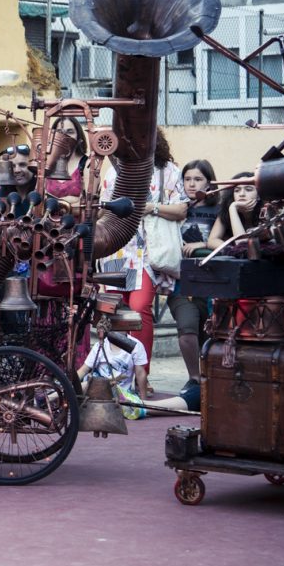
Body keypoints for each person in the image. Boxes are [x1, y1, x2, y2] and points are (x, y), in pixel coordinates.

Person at [97, 129, 186, 395]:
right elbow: (102, 208)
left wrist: (151, 207)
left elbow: (181, 209)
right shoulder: (114, 171)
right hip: (117, 249)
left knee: (139, 308)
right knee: (111, 312)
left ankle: (142, 377)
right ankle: (113, 377)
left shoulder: (169, 170)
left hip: (147, 251)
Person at [167, 160, 220, 385]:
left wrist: (202, 245)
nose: (191, 184)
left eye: (198, 179)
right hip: (182, 282)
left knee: (210, 335)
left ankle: (211, 379)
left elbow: (226, 242)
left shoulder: (219, 209)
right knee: (187, 332)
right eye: (187, 179)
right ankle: (195, 379)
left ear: (209, 182)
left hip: (212, 281)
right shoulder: (176, 208)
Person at [75, 330, 149, 418]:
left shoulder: (136, 345)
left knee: (137, 409)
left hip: (120, 394)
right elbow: (84, 370)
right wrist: (68, 383)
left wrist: (144, 401)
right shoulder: (100, 345)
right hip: (97, 389)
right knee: (83, 386)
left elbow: (140, 374)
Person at [208, 171, 262, 247]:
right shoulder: (227, 210)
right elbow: (212, 240)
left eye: (248, 189)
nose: (242, 194)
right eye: (237, 190)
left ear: (259, 195)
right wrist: (232, 208)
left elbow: (242, 244)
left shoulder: (266, 211)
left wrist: (238, 250)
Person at [44, 117, 88, 200]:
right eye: (59, 132)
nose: (64, 136)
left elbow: (90, 202)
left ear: (79, 136)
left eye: (70, 132)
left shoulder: (86, 164)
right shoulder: (47, 163)